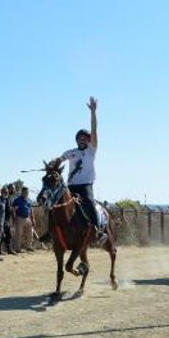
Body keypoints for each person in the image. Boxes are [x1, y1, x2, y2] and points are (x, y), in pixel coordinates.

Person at [54, 96, 105, 242]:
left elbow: (94, 130)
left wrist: (93, 112)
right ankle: (51, 231)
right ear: (76, 140)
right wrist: (54, 163)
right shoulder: (71, 152)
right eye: (79, 138)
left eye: (85, 138)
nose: (82, 140)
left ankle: (98, 231)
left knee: (89, 203)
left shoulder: (91, 150)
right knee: (54, 201)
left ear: (89, 140)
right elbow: (60, 159)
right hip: (70, 186)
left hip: (85, 186)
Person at [12, 186, 37, 252]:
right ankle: (17, 248)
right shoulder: (17, 200)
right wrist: (14, 218)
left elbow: (31, 210)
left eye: (27, 192)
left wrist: (33, 219)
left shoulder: (29, 200)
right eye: (25, 192)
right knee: (19, 233)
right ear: (22, 192)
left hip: (28, 218)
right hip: (19, 218)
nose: (26, 193)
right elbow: (13, 210)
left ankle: (29, 246)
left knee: (30, 233)